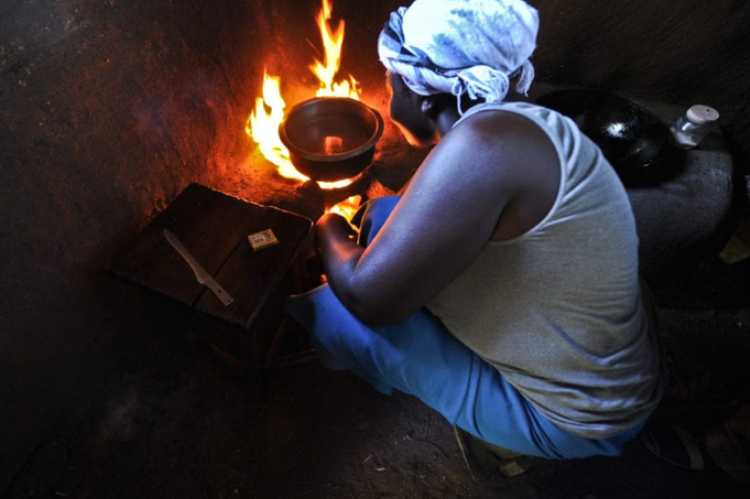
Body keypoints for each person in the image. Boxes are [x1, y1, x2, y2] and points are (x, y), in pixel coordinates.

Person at [286, 0, 664, 460]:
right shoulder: (526, 123)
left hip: (579, 420)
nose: (387, 92)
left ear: (423, 96)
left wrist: (326, 224)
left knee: (334, 309)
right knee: (384, 217)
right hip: (625, 370)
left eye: (391, 79)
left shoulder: (481, 149)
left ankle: (356, 361)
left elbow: (368, 300)